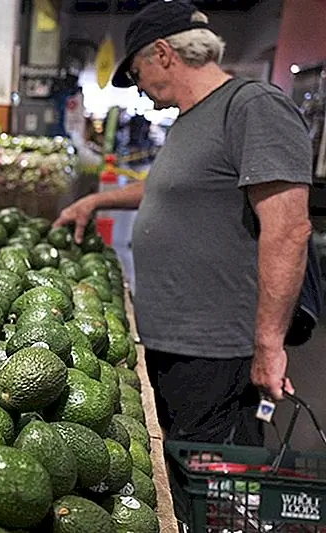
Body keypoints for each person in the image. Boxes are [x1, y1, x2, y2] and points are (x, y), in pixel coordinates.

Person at [56, 0, 312, 446]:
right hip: (174, 341)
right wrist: (98, 200)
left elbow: (289, 228)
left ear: (163, 53)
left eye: (135, 74)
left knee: (208, 478)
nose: (137, 90)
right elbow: (170, 188)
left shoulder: (253, 107)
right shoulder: (191, 118)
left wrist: (269, 345)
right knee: (173, 467)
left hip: (214, 350)